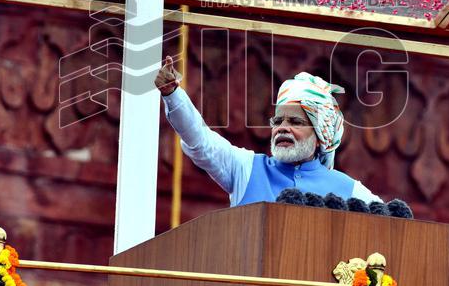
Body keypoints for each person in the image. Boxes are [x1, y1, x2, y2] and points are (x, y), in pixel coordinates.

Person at [156, 56, 381, 207]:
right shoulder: (246, 167)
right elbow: (200, 141)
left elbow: (393, 227)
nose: (282, 128)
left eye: (295, 121)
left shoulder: (349, 190)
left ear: (320, 136)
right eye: (278, 120)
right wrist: (173, 95)